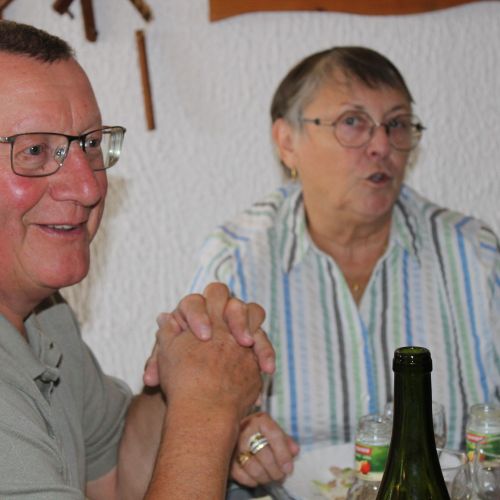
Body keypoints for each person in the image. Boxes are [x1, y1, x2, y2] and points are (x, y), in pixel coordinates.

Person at [190, 46, 500, 486]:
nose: (382, 146)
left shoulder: (473, 256)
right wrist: (233, 436)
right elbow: (193, 421)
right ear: (287, 142)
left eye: (396, 124)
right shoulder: (236, 263)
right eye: (353, 122)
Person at [0, 20, 276, 499]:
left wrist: (187, 365)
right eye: (35, 151)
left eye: (90, 144)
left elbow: (115, 482)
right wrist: (208, 410)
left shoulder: (46, 316)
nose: (88, 187)